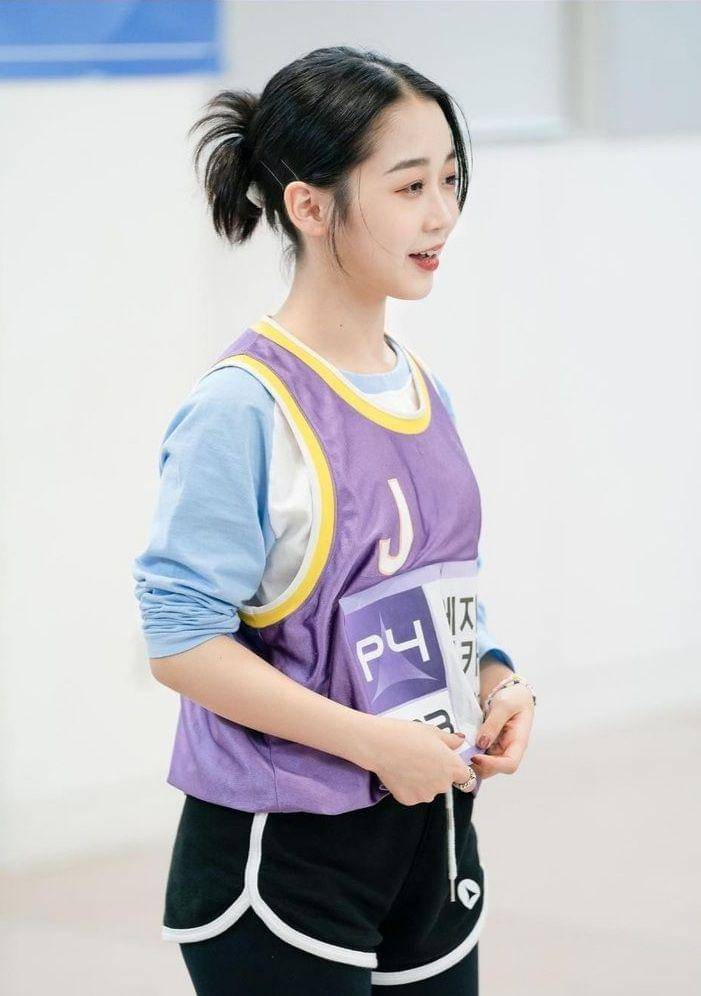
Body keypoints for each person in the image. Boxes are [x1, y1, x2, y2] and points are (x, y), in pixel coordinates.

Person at [132, 45, 536, 996]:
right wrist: (369, 743)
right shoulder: (243, 407)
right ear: (310, 207)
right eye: (408, 186)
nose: (441, 214)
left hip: (428, 835)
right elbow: (181, 641)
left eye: (449, 179)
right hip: (285, 852)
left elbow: (426, 594)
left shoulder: (420, 387)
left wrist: (497, 677)